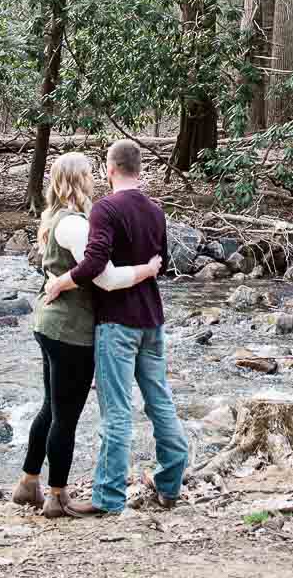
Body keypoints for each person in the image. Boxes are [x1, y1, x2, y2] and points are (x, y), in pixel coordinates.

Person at [41, 138, 188, 515]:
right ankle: (170, 484)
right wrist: (145, 270)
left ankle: (108, 498)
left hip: (117, 323)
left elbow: (94, 267)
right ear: (140, 170)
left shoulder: (105, 209)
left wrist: (61, 281)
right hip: (152, 320)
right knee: (161, 403)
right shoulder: (156, 210)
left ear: (109, 169)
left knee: (117, 412)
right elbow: (163, 261)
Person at [12, 152, 161, 519]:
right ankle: (56, 495)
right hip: (70, 331)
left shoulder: (56, 219)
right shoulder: (75, 225)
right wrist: (146, 269)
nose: (96, 180)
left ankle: (28, 483)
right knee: (66, 415)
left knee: (51, 407)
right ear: (79, 181)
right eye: (89, 175)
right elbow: (105, 278)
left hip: (50, 325)